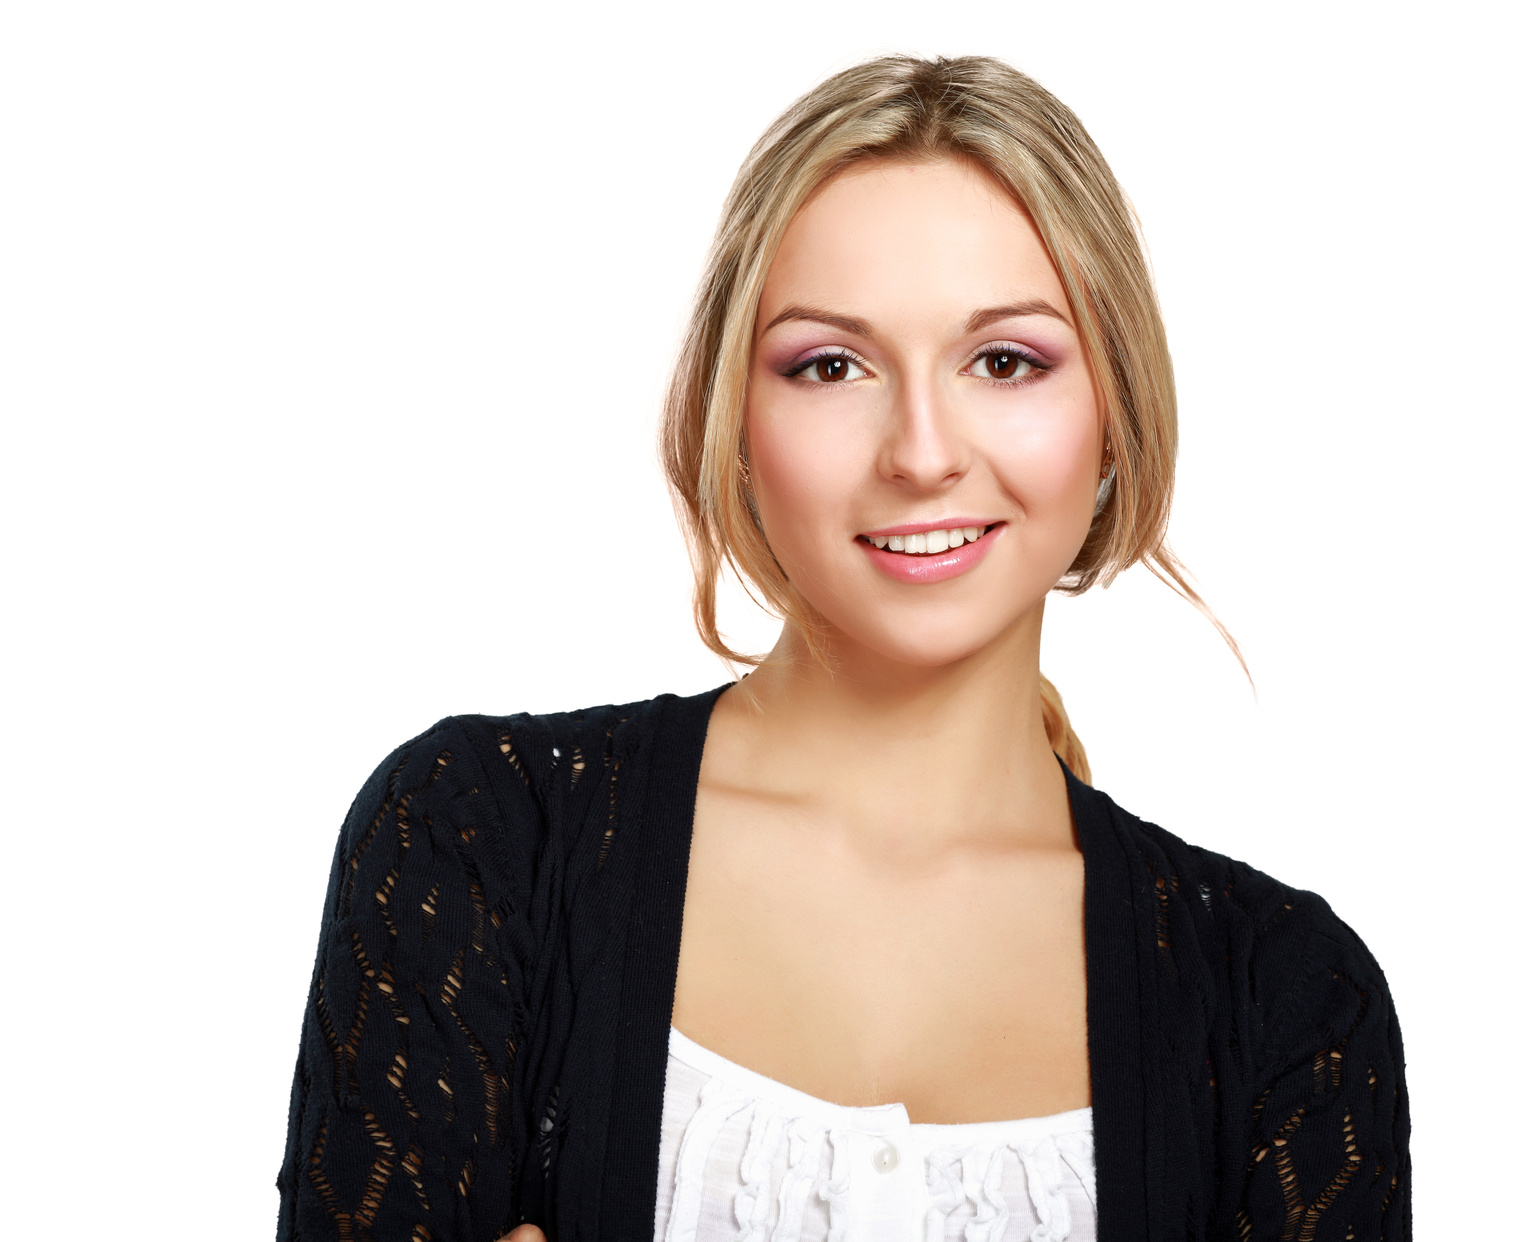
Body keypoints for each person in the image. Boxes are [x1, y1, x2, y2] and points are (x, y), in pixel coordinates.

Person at [276, 55, 1409, 1242]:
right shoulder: (476, 843)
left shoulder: (1290, 1007)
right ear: (734, 418)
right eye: (830, 366)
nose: (922, 453)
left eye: (1006, 361)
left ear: (1115, 414)